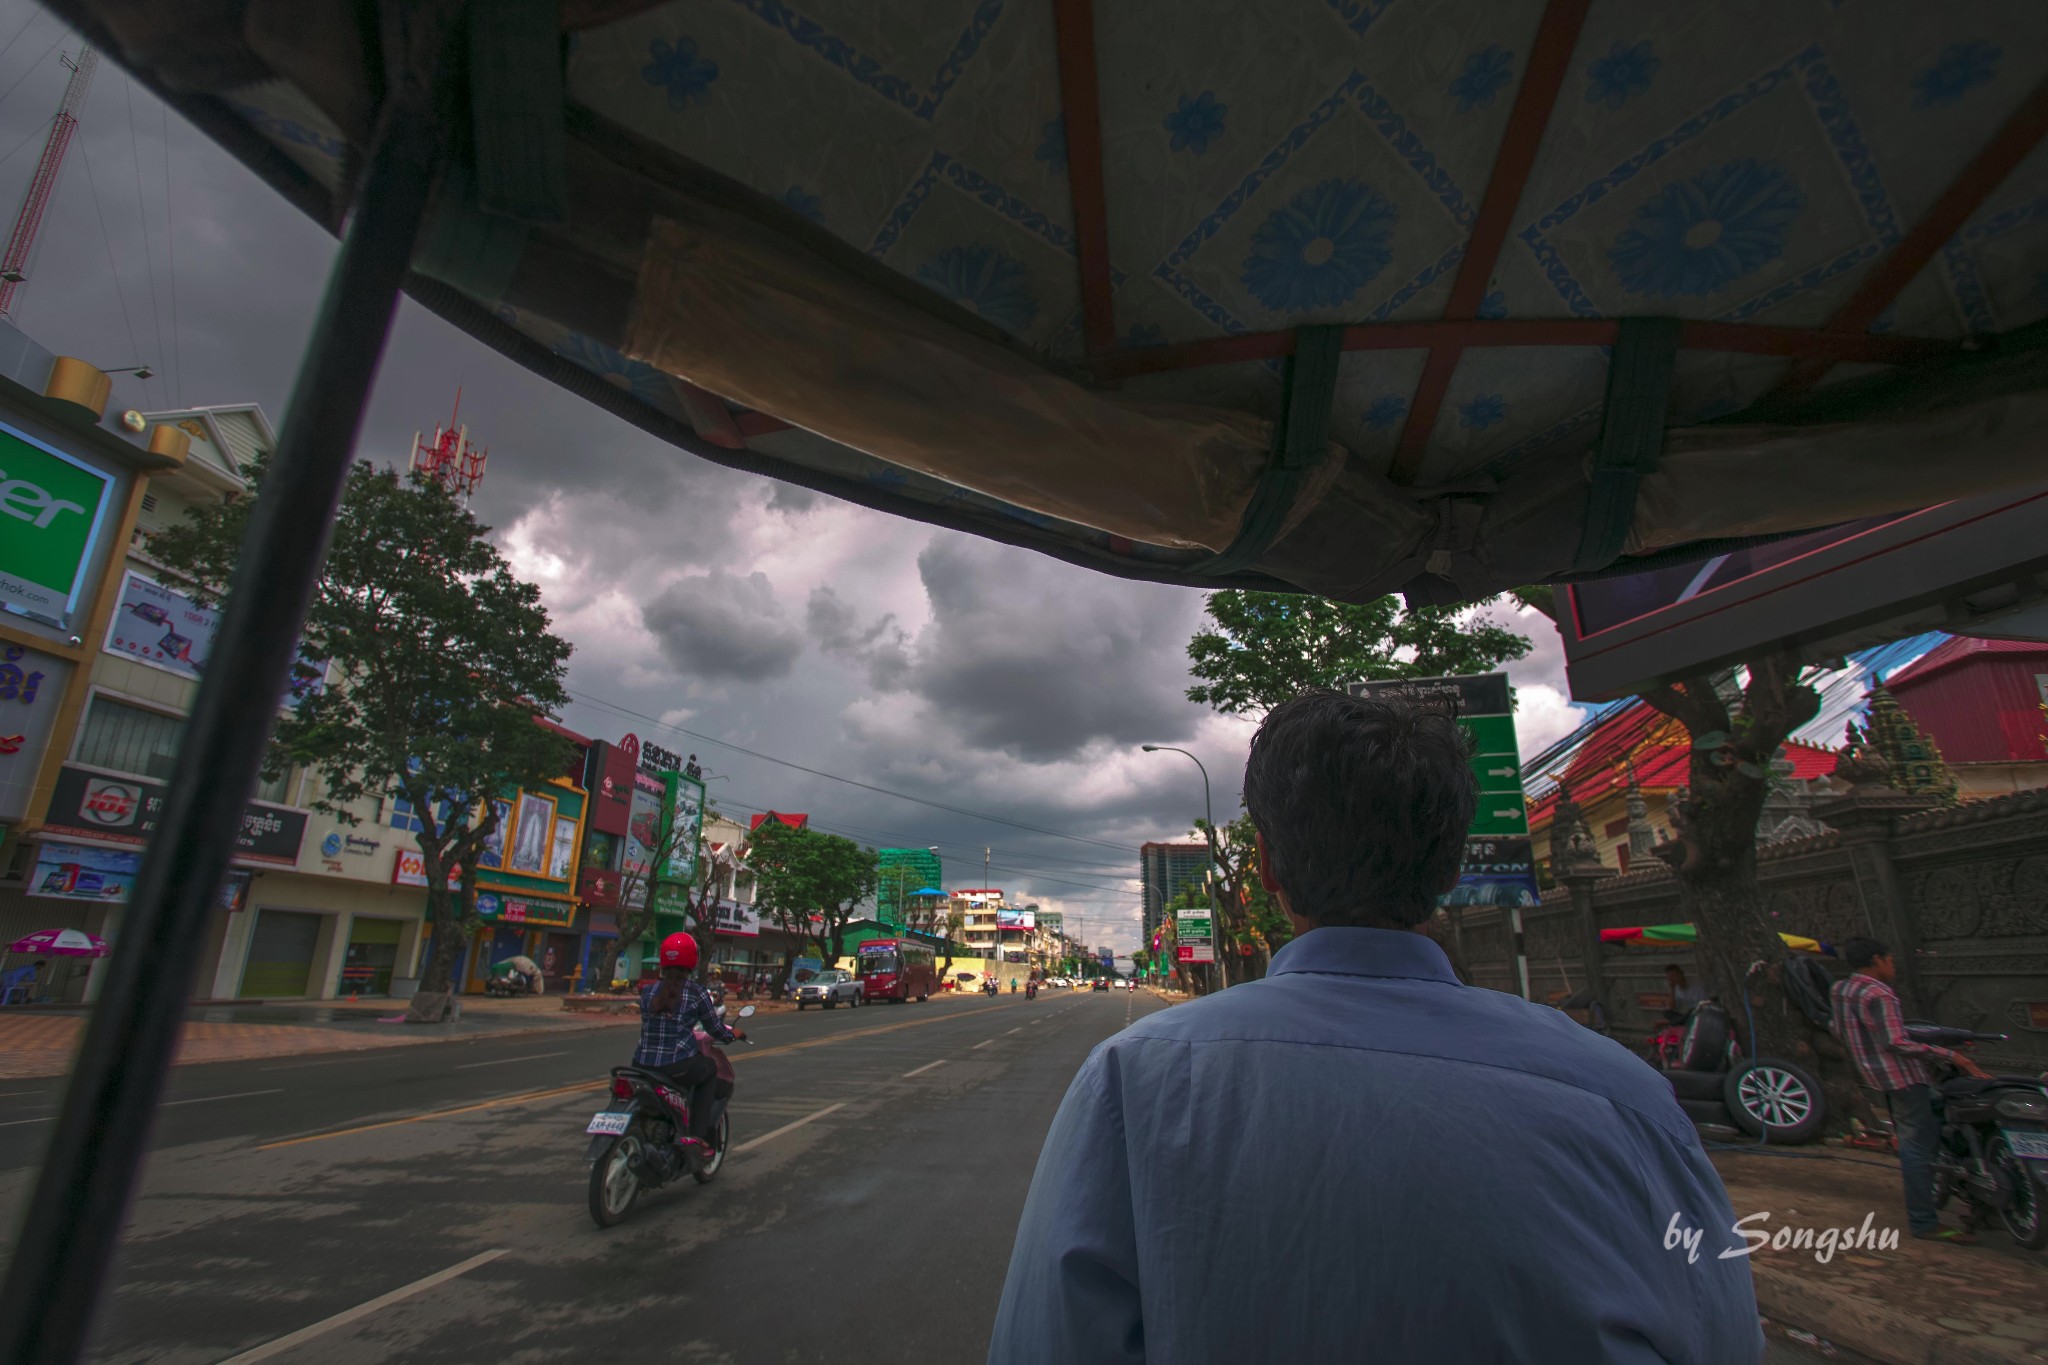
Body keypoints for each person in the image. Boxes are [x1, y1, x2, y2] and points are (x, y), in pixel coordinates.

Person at [990, 691, 1762, 1364]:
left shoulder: (1132, 1076)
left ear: (1267, 866)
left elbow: (1049, 1343)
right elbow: (1722, 1338)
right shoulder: (1625, 1094)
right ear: (1451, 866)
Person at [1831, 936, 1987, 1244]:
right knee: (1916, 1147)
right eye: (1889, 960)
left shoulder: (1841, 989)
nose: (1893, 966)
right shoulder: (1880, 993)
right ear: (1877, 960)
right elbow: (1895, 1042)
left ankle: (1962, 1191)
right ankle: (1924, 1221)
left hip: (1877, 1077)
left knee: (1935, 1124)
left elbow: (1837, 1028)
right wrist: (1952, 1056)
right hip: (1903, 1077)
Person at [635, 932, 742, 1157]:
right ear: (692, 961)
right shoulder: (696, 993)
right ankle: (697, 1136)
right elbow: (715, 1028)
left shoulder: (647, 992)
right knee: (709, 1068)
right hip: (676, 1066)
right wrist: (733, 1034)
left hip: (641, 1065)